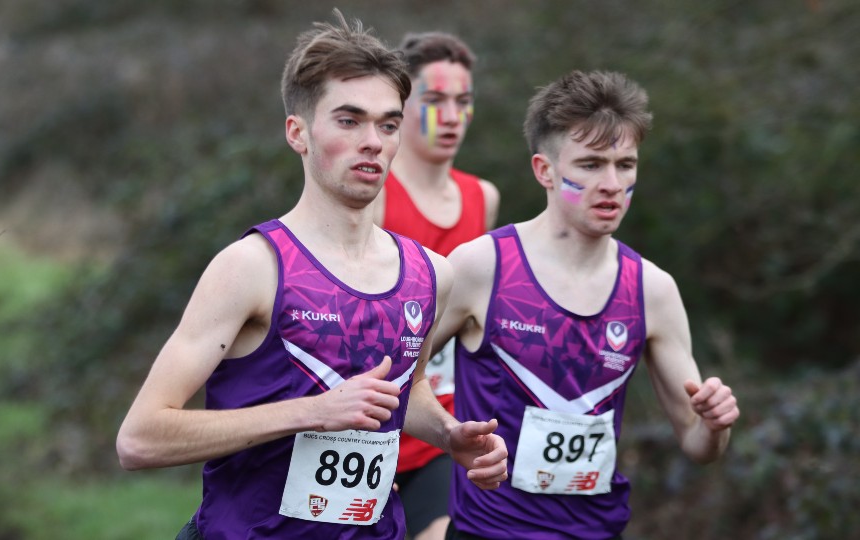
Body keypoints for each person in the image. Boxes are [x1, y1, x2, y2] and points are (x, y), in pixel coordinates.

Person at [116, 10, 507, 540]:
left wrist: (449, 434)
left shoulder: (429, 274)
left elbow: (404, 392)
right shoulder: (250, 267)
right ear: (297, 133)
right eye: (349, 121)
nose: (373, 141)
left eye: (387, 124)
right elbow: (140, 439)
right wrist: (312, 412)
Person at [435, 70, 740, 540]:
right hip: (488, 532)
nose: (613, 183)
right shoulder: (481, 268)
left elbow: (698, 445)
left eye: (626, 164)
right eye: (592, 164)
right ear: (545, 170)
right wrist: (443, 434)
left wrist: (715, 425)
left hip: (600, 532)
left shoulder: (652, 290)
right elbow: (398, 380)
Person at [372, 31, 499, 540]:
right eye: (434, 101)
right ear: (402, 106)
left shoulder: (481, 198)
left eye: (462, 102)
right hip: (365, 433)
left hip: (440, 432)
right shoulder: (374, 194)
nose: (451, 116)